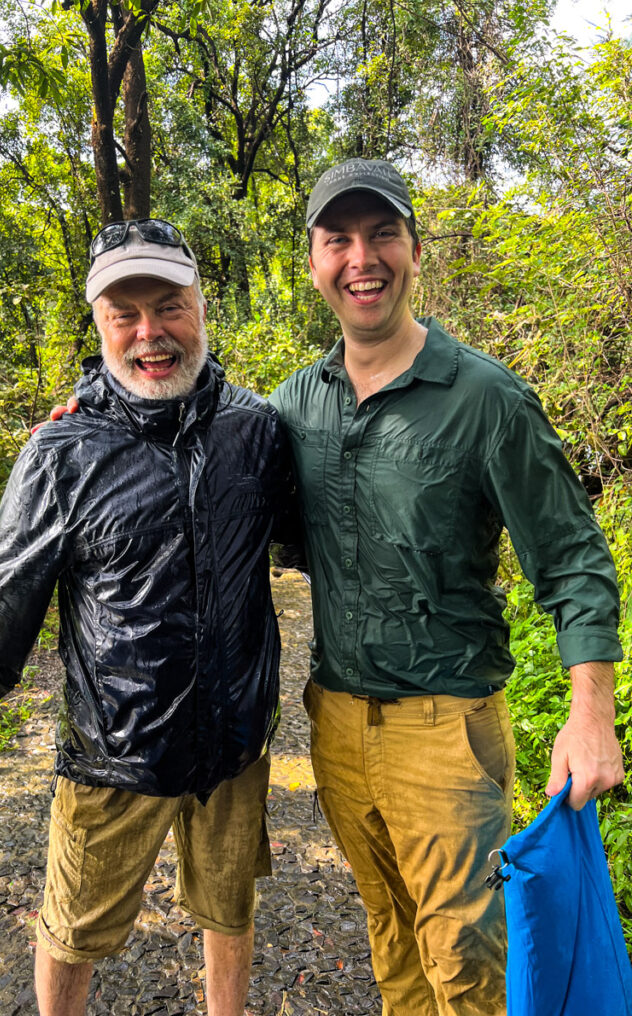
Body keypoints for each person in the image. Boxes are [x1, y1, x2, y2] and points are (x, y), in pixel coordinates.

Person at [267, 158, 625, 1015]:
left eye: (382, 233)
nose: (363, 257)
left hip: (447, 731)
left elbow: (574, 557)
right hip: (339, 725)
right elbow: (217, 490)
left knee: (467, 966)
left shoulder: (486, 399)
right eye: (339, 239)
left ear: (414, 250)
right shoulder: (293, 407)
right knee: (391, 942)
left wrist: (592, 713)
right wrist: (96, 423)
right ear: (314, 263)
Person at [0, 218, 296, 1016]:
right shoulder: (62, 452)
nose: (149, 334)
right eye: (125, 314)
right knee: (73, 931)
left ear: (200, 304)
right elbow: (2, 599)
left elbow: (318, 537)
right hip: (114, 752)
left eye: (168, 306)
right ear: (98, 324)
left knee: (229, 912)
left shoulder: (256, 431)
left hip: (233, 745)